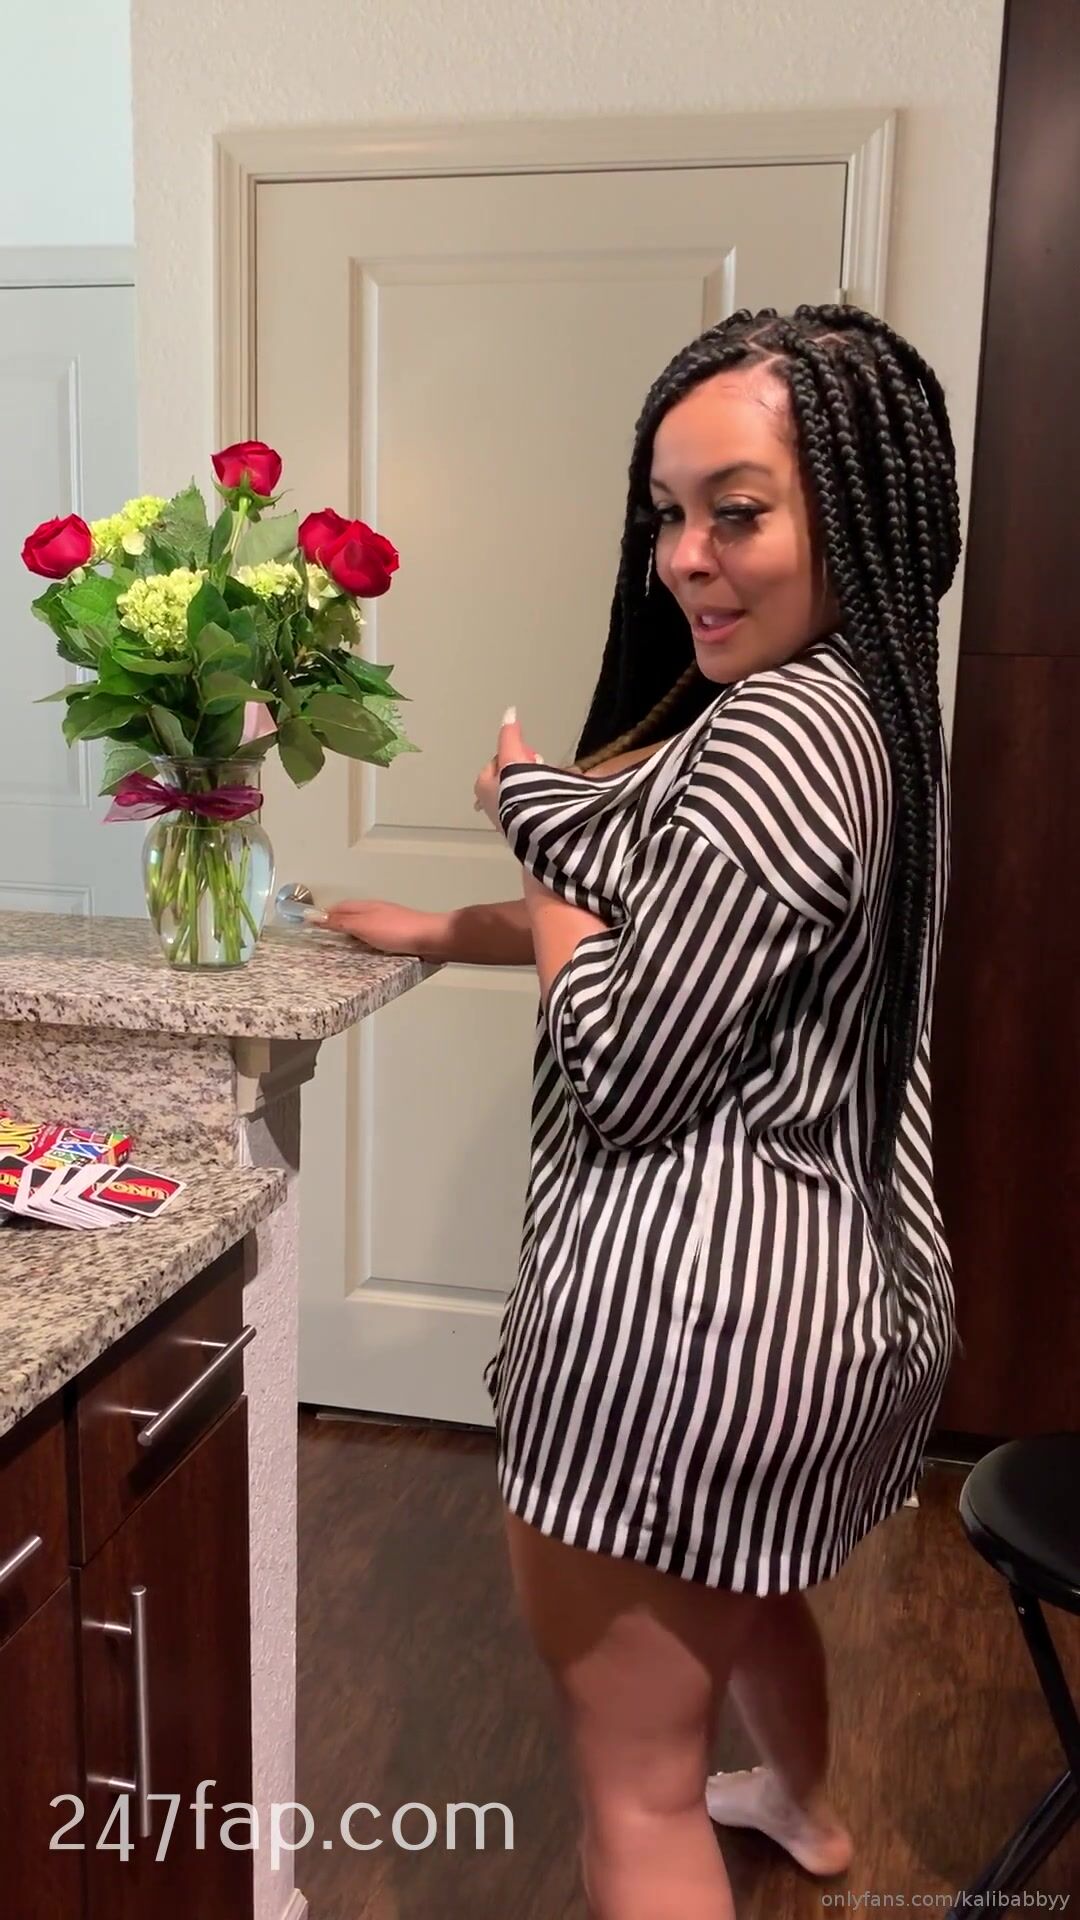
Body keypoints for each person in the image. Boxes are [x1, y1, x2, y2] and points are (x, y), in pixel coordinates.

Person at [327, 303, 960, 1920]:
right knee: (749, 1591)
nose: (685, 559)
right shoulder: (870, 707)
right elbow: (675, 910)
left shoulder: (778, 736)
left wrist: (534, 823)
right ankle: (805, 1812)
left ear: (861, 506)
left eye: (736, 511)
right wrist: (447, 923)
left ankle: (736, 1814)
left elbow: (617, 1057)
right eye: (669, 514)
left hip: (682, 1334)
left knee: (634, 1792)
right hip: (821, 1308)